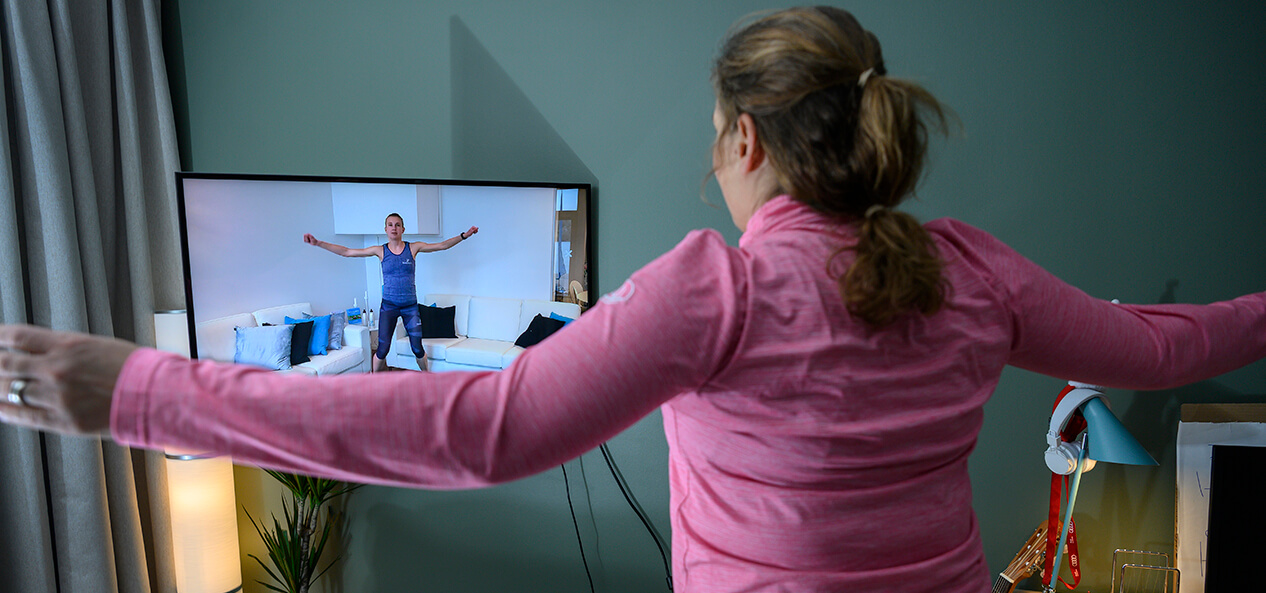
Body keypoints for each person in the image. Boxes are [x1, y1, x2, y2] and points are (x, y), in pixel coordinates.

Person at [1, 7, 1264, 593]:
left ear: (747, 140)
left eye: (718, 135)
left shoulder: (716, 289)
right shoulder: (974, 269)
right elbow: (1168, 346)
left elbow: (475, 431)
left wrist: (143, 390)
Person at [303, 214, 478, 372]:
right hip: (389, 306)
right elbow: (347, 252)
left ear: (403, 229)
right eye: (390, 225)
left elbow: (442, 245)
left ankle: (427, 378)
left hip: (410, 307)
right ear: (386, 229)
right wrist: (319, 243)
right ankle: (375, 383)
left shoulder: (413, 248)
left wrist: (464, 235)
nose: (394, 228)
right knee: (382, 349)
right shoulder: (380, 250)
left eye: (397, 225)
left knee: (417, 348)